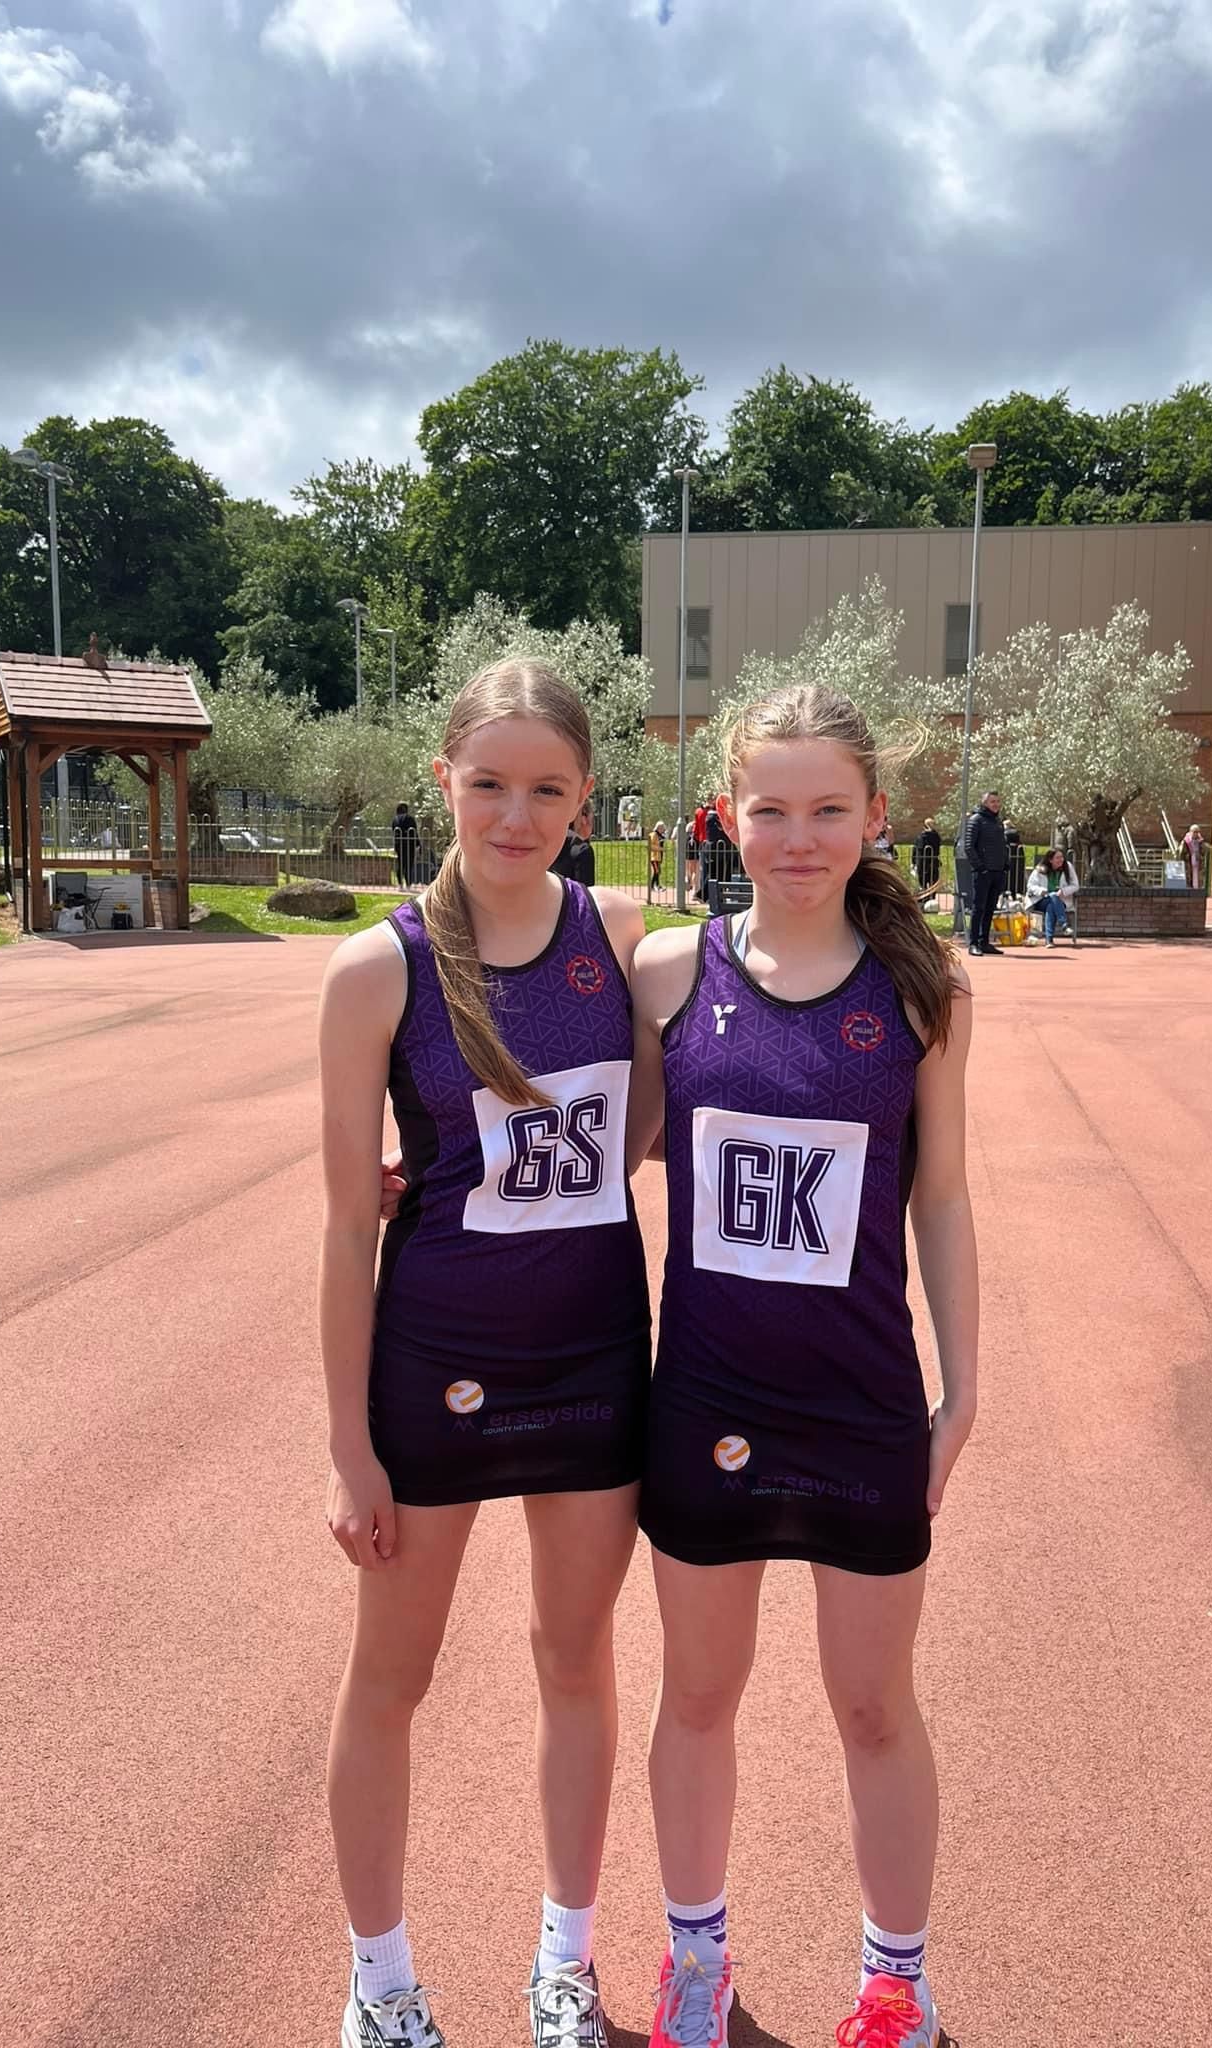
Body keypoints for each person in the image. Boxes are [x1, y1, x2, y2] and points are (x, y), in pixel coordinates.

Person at [627, 682, 977, 2048]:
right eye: (769, 808)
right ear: (727, 814)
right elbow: (605, 1137)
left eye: (829, 808)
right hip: (706, 1400)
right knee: (698, 1695)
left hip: (861, 1403)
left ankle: (896, 1982)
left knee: (875, 1705)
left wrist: (964, 1389)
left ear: (875, 815)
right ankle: (696, 1963)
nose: (798, 836)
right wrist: (420, 1158)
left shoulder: (925, 991)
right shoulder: (671, 971)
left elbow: (942, 1197)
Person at [318, 660, 652, 2048]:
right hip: (435, 1368)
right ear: (443, 777)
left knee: (576, 1659)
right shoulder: (376, 970)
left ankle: (565, 1962)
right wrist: (348, 1446)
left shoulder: (625, 937)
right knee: (391, 1677)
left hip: (593, 1362)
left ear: (586, 800)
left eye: (549, 789)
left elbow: (659, 1118)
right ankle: (381, 1981)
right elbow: (347, 1226)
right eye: (491, 783)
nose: (518, 815)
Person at [964, 790, 1008, 958]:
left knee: (990, 908)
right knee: (979, 907)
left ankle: (984, 942)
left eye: (997, 801)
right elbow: (969, 847)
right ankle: (974, 943)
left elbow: (1002, 845)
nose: (996, 804)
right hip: (983, 872)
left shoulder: (998, 822)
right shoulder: (976, 820)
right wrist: (980, 867)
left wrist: (1005, 864)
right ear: (984, 803)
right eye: (992, 801)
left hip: (997, 871)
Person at [1024, 847, 1079, 944]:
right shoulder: (1040, 869)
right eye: (1057, 858)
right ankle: (1064, 924)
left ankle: (1049, 940)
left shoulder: (1068, 867)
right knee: (1053, 897)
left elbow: (1075, 885)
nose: (1061, 860)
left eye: (1062, 857)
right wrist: (1042, 891)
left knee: (1051, 906)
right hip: (1041, 900)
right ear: (1050, 860)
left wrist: (1063, 891)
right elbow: (1030, 886)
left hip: (1061, 901)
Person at [551, 801, 597, 887]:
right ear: (584, 819)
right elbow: (584, 893)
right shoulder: (582, 850)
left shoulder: (549, 841)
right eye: (593, 819)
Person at [912, 816, 942, 904]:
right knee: (933, 881)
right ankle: (932, 900)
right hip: (933, 862)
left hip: (922, 862)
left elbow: (915, 850)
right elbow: (937, 850)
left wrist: (913, 862)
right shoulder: (936, 837)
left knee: (923, 882)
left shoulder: (920, 837)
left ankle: (925, 900)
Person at [391, 803, 421, 891]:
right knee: (409, 864)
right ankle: (408, 884)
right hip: (409, 844)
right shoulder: (410, 819)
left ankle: (400, 884)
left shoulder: (395, 819)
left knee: (400, 864)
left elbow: (394, 832)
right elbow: (414, 832)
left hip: (398, 844)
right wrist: (418, 844)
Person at [1181, 823, 1206, 890]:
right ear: (1191, 832)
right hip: (1189, 861)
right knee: (1189, 875)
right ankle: (1190, 887)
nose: (1196, 834)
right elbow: (1182, 852)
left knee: (1198, 875)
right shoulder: (1186, 841)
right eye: (1194, 832)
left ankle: (1197, 888)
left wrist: (1200, 855)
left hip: (1198, 860)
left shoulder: (1200, 840)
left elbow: (1203, 851)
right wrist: (1187, 856)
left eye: (1197, 832)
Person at [648, 820, 666, 901]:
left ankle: (658, 885)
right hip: (654, 857)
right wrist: (660, 849)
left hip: (659, 856)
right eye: (662, 827)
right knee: (656, 871)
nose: (663, 829)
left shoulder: (661, 836)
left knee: (658, 871)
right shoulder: (653, 835)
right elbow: (651, 845)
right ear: (658, 827)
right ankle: (652, 886)